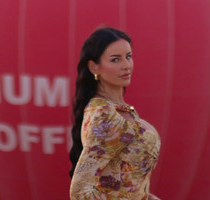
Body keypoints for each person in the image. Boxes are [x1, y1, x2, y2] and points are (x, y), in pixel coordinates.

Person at [69, 27, 161, 200]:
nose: (126, 65)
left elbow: (127, 187)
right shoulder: (105, 116)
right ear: (94, 67)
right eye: (115, 60)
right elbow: (80, 192)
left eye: (128, 56)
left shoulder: (120, 110)